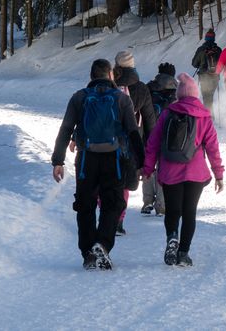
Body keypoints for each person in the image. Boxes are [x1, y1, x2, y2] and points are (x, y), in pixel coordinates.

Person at [51, 58, 144, 270]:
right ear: (110, 75)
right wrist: (142, 162)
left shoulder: (80, 98)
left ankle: (87, 254)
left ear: (91, 76)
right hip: (114, 159)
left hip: (86, 159)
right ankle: (102, 244)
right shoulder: (121, 99)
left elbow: (65, 129)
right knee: (113, 204)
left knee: (85, 205)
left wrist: (58, 160)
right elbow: (133, 132)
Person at [142, 74, 225, 267]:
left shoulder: (167, 113)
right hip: (196, 172)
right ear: (196, 94)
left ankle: (172, 237)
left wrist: (148, 168)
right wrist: (218, 174)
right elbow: (212, 147)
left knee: (173, 210)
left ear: (179, 94)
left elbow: (153, 143)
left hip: (170, 171)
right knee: (189, 212)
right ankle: (183, 253)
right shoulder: (204, 116)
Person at [112, 50, 153, 234]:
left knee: (107, 179)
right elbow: (150, 120)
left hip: (108, 140)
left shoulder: (109, 85)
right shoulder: (142, 88)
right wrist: (150, 149)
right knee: (124, 183)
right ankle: (119, 220)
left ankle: (108, 215)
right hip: (132, 142)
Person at [142, 62, 177, 216]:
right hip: (168, 135)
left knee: (148, 167)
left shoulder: (148, 88)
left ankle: (147, 202)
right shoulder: (178, 91)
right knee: (164, 169)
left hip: (149, 133)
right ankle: (161, 205)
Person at [190, 28, 222, 109]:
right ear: (214, 38)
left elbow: (194, 63)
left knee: (206, 97)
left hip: (204, 76)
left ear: (206, 38)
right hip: (215, 77)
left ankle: (208, 117)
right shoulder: (218, 50)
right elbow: (221, 64)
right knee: (210, 96)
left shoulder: (201, 49)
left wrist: (200, 65)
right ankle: (210, 116)